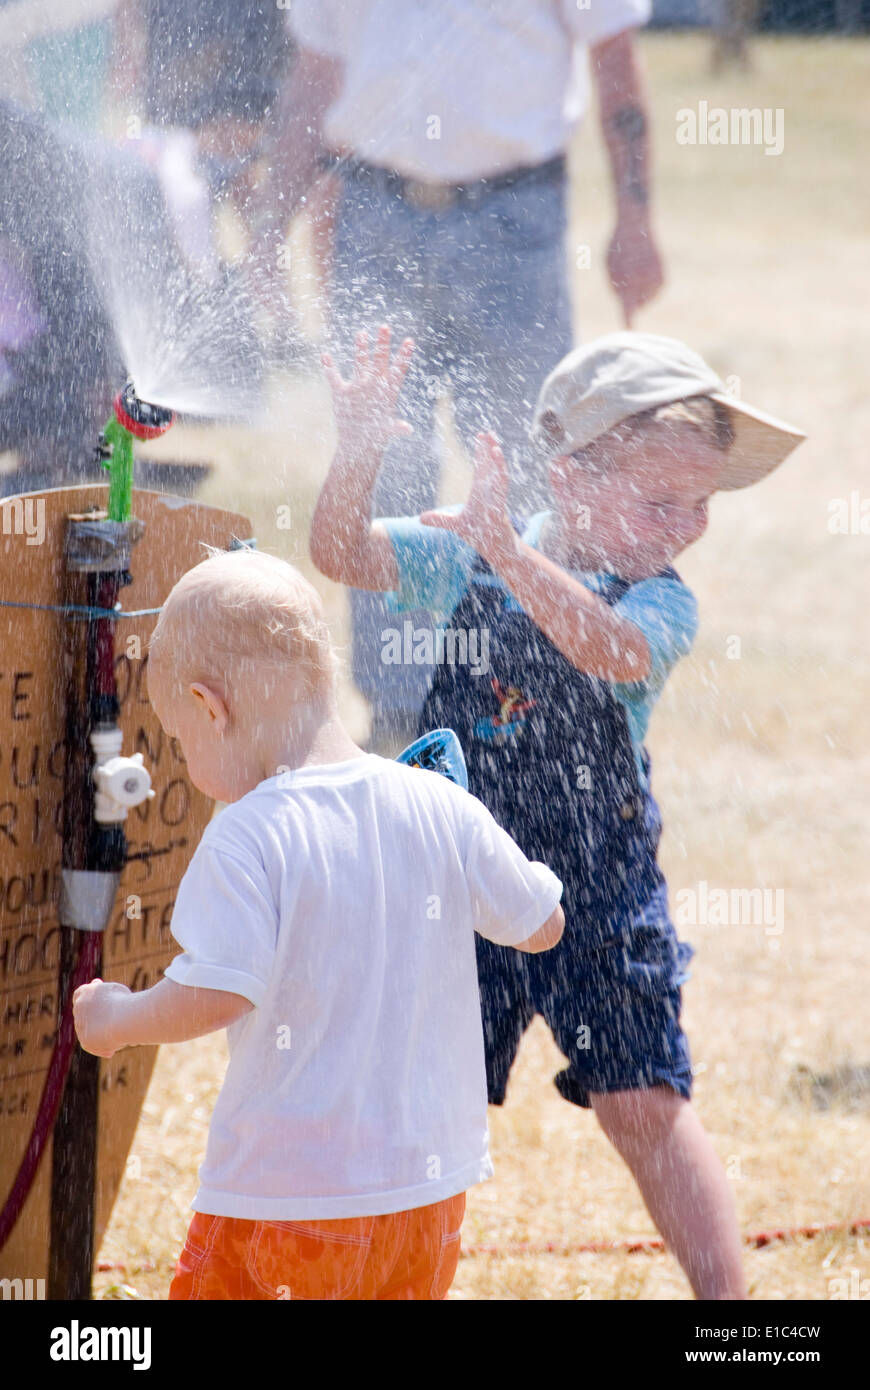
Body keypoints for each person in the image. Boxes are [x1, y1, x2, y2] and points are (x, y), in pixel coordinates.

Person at [309, 324, 805, 1299]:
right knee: (412, 1101)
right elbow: (339, 551)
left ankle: (734, 1317)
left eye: (702, 501)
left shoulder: (657, 599)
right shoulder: (468, 555)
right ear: (571, 476)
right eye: (663, 498)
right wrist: (360, 443)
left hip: (600, 886)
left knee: (643, 1099)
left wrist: (504, 547)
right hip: (454, 887)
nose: (688, 523)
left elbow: (608, 648)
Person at [72, 547, 564, 1301]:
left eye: (179, 740)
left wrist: (118, 1018)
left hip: (290, 1200)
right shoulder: (438, 803)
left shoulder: (247, 835)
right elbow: (542, 925)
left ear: (211, 707)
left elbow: (218, 992)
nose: (185, 757)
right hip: (427, 1195)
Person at [250, 0, 665, 748]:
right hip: (374, 216)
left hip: (517, 219)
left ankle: (537, 703)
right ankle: (401, 720)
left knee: (535, 474)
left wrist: (634, 219)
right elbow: (315, 76)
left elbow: (615, 67)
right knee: (384, 466)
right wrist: (268, 226)